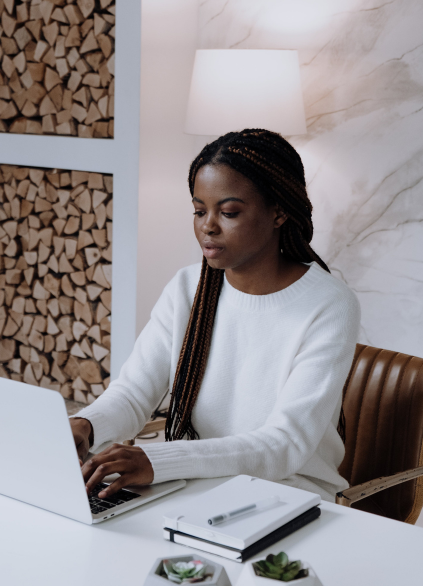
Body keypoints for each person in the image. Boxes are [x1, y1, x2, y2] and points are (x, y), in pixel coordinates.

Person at [71, 129, 360, 503]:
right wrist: (85, 425)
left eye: (229, 212)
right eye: (199, 210)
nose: (208, 226)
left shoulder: (329, 304)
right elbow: (132, 394)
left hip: (289, 496)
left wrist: (158, 459)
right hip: (194, 487)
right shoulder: (188, 287)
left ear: (279, 212)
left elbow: (284, 446)